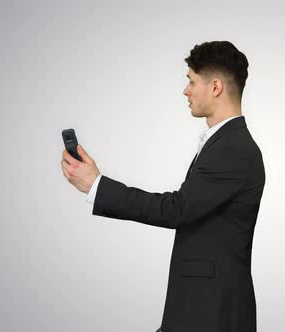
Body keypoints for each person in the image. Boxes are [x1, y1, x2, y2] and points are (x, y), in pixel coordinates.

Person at [61, 41, 265, 332]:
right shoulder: (225, 143)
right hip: (199, 309)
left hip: (212, 313)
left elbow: (176, 210)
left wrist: (97, 186)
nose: (186, 90)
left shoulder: (233, 148)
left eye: (192, 82)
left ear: (216, 87)